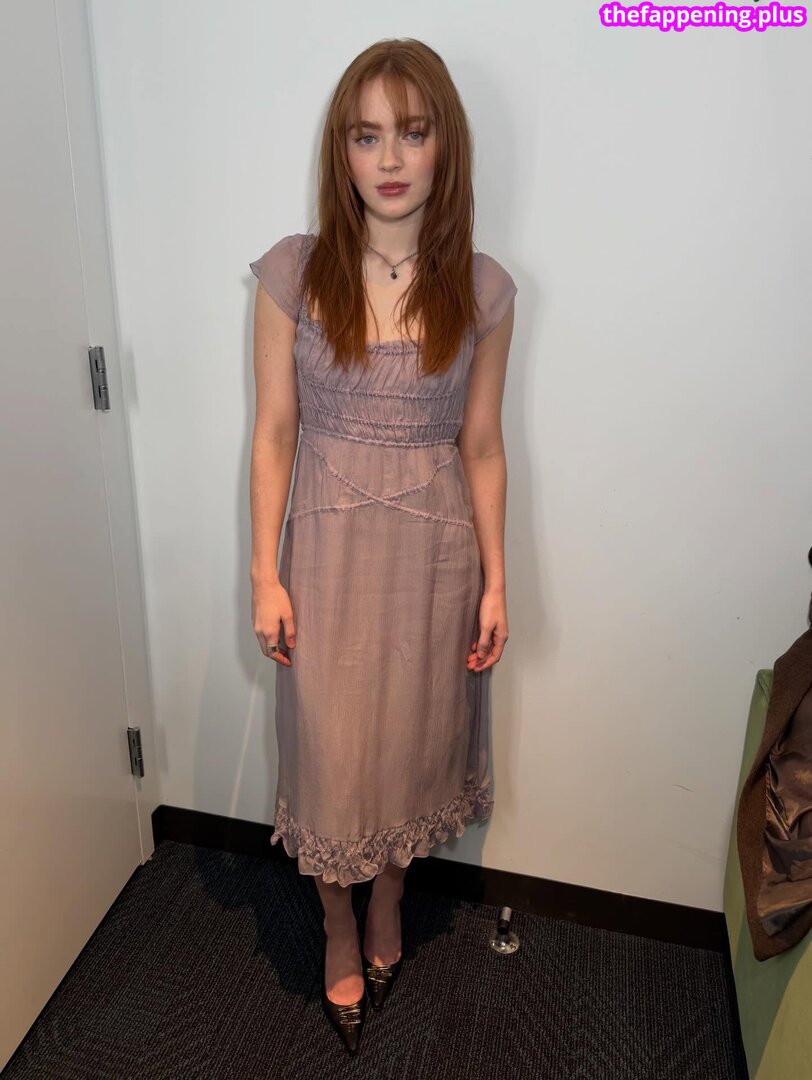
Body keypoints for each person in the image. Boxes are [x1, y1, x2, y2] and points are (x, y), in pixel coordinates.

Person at [248, 38, 517, 1056]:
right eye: (367, 136)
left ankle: (390, 898)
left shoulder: (482, 289)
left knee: (412, 742)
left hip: (435, 559)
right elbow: (274, 433)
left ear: (445, 144)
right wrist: (262, 572)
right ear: (342, 151)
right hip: (323, 557)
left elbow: (481, 444)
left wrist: (498, 582)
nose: (390, 158)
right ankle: (332, 921)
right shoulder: (292, 273)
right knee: (327, 755)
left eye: (411, 131)